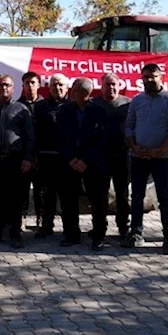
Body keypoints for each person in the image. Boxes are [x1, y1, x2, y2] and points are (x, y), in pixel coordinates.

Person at [124, 63, 168, 254]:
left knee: (165, 198)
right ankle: (136, 233)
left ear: (161, 77)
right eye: (146, 77)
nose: (149, 80)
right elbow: (129, 127)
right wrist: (133, 146)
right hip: (138, 156)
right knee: (137, 197)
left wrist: (161, 150)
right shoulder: (136, 101)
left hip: (162, 158)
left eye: (153, 76)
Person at [0, 75, 34, 248]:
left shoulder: (22, 109)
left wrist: (27, 158)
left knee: (16, 200)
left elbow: (30, 137)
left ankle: (15, 233)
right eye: (1, 85)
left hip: (16, 162)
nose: (4, 88)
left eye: (8, 86)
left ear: (13, 88)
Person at [56, 78, 109, 250]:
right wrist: (71, 158)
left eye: (75, 90)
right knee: (68, 199)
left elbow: (103, 140)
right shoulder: (64, 110)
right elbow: (59, 138)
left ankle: (98, 235)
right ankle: (72, 233)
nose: (71, 93)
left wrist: (86, 160)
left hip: (92, 163)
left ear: (85, 94)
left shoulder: (99, 112)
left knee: (98, 200)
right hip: (69, 162)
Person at [92, 72, 131, 241]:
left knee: (122, 195)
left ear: (120, 85)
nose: (111, 87)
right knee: (99, 195)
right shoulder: (94, 105)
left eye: (114, 84)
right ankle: (99, 229)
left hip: (123, 155)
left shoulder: (128, 104)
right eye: (107, 84)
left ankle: (124, 227)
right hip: (100, 157)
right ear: (101, 87)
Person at [33, 74, 69, 237]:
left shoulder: (72, 106)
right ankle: (46, 226)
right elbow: (34, 132)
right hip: (46, 157)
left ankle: (70, 229)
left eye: (61, 85)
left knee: (67, 196)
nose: (58, 88)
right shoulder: (40, 107)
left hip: (68, 159)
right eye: (54, 85)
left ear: (67, 88)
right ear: (49, 87)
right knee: (47, 195)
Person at [18, 71, 43, 229]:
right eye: (27, 83)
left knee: (41, 191)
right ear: (23, 86)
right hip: (23, 156)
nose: (30, 86)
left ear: (39, 85)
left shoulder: (44, 105)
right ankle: (22, 219)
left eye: (33, 82)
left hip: (42, 156)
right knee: (22, 190)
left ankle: (41, 220)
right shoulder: (17, 106)